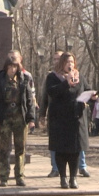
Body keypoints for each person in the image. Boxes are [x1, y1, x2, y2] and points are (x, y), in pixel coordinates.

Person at [46, 52, 90, 189]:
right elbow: (51, 92)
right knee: (61, 150)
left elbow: (87, 89)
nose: (70, 64)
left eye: (72, 61)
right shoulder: (53, 77)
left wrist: (92, 95)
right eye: (67, 62)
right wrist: (66, 82)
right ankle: (63, 178)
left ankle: (73, 178)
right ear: (62, 64)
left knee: (75, 150)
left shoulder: (80, 76)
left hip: (76, 119)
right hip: (59, 120)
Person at [0, 57, 36, 187]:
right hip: (4, 118)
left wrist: (31, 119)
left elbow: (29, 101)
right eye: (10, 67)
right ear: (6, 67)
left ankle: (19, 176)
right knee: (4, 148)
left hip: (19, 118)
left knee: (20, 148)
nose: (12, 69)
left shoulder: (23, 80)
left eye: (15, 67)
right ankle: (3, 176)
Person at [39, 50, 64, 178]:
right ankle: (55, 168)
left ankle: (80, 167)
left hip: (70, 115)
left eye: (59, 59)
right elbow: (45, 96)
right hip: (54, 114)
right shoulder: (51, 76)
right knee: (54, 142)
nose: (56, 61)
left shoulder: (74, 74)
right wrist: (42, 114)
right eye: (54, 59)